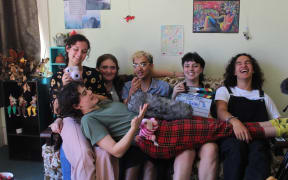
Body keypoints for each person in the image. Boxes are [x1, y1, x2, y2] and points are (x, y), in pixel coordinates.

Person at [57, 81, 288, 170]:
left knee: (216, 127)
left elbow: (129, 96)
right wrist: (134, 126)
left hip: (159, 126)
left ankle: (276, 125)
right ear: (77, 106)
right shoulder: (88, 120)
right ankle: (279, 128)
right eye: (84, 94)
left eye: (87, 89)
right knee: (223, 128)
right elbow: (116, 150)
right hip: (152, 139)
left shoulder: (101, 104)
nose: (90, 93)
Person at [49, 34, 115, 180]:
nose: (79, 54)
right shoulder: (57, 77)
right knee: (81, 152)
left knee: (103, 153)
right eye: (76, 49)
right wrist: (64, 89)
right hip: (71, 119)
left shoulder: (93, 74)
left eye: (84, 51)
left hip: (94, 116)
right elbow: (56, 110)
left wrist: (85, 92)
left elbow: (107, 99)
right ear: (67, 48)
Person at [215, 53, 281, 180]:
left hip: (258, 139)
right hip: (231, 137)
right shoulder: (224, 91)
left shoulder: (263, 96)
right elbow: (221, 111)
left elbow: (278, 122)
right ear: (234, 71)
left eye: (247, 62)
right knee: (236, 149)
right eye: (239, 63)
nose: (243, 65)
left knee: (258, 152)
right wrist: (235, 122)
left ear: (253, 69)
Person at [121, 51, 172, 180]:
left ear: (151, 66)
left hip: (156, 133)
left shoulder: (163, 87)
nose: (139, 68)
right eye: (135, 65)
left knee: (151, 167)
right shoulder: (127, 86)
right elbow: (123, 110)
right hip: (135, 134)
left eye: (143, 64)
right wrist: (132, 92)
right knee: (131, 168)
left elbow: (169, 111)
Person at [171, 52, 218, 180]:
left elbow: (217, 121)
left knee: (211, 148)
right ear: (183, 68)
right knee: (186, 153)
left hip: (204, 134)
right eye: (187, 66)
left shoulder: (210, 93)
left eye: (195, 66)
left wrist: (210, 117)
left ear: (201, 69)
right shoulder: (175, 89)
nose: (191, 69)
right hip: (184, 135)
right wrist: (174, 96)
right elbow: (168, 117)